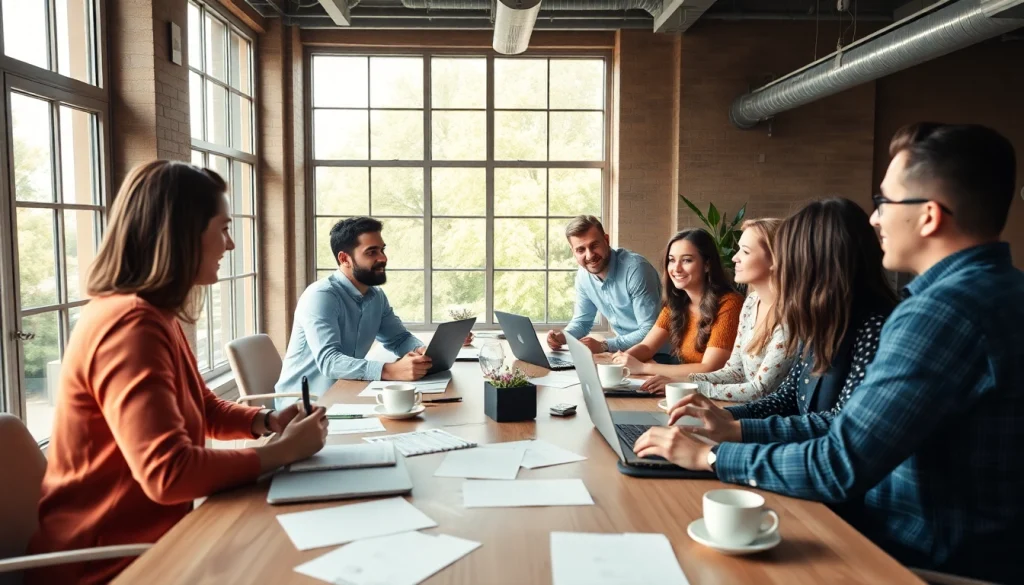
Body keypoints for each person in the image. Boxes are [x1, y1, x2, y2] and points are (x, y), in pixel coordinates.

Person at [634, 123, 1024, 583]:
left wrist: (711, 458)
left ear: (929, 216)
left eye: (884, 203)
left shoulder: (941, 314)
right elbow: (844, 422)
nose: (875, 219)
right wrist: (737, 429)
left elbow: (840, 463)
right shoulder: (1001, 291)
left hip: (912, 558)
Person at [27, 161, 328, 585]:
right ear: (184, 233)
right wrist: (283, 452)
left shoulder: (153, 314)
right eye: (222, 228)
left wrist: (266, 422)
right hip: (107, 565)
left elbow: (201, 405)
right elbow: (168, 475)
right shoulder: (130, 325)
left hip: (158, 542)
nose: (231, 244)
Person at [648, 198, 897, 439]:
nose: (784, 265)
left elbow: (837, 431)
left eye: (789, 255)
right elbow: (786, 397)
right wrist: (725, 417)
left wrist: (717, 453)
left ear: (819, 261)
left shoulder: (875, 328)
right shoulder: (820, 320)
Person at [275, 217, 429, 404]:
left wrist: (420, 350)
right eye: (371, 252)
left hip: (348, 394)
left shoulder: (376, 296)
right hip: (306, 406)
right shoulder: (321, 295)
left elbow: (399, 339)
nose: (383, 258)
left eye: (382, 250)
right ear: (344, 259)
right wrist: (390, 370)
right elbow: (329, 362)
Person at [611, 228, 743, 388]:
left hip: (717, 394)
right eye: (672, 260)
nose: (676, 268)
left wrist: (643, 367)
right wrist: (623, 360)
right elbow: (647, 347)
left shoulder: (729, 304)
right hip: (686, 388)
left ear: (707, 265)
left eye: (687, 260)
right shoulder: (677, 303)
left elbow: (710, 368)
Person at [683, 218, 794, 402]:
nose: (735, 257)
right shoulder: (751, 302)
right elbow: (735, 371)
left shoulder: (791, 316)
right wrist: (680, 382)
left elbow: (760, 390)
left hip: (764, 422)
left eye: (745, 251)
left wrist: (693, 388)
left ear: (776, 259)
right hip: (741, 410)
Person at [545, 216, 667, 359]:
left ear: (606, 240)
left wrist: (604, 345)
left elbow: (649, 331)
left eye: (594, 245)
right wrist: (562, 337)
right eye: (580, 250)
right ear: (573, 252)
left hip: (661, 355)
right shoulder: (583, 276)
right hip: (624, 355)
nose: (589, 255)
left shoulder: (636, 270)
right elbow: (582, 322)